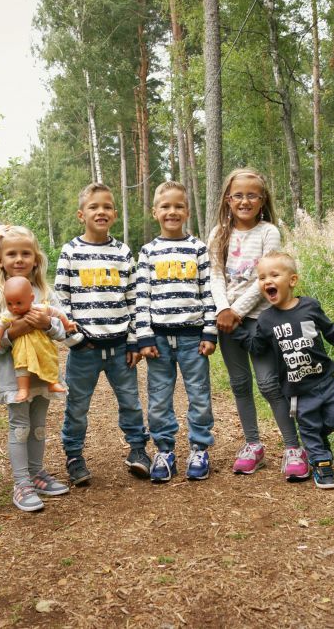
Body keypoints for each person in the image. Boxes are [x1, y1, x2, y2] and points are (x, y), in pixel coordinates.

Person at [238, 251, 334, 488]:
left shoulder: (309, 306)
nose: (267, 281)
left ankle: (315, 440)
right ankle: (322, 465)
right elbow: (257, 347)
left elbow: (331, 331)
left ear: (292, 280)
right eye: (261, 278)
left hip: (325, 378)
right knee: (309, 426)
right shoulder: (266, 319)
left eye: (274, 275)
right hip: (297, 389)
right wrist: (237, 331)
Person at [208, 167, 308, 481]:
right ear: (227, 199)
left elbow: (263, 280)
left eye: (252, 195)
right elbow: (215, 276)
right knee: (239, 383)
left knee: (268, 384)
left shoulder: (269, 232)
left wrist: (236, 310)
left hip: (260, 320)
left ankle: (293, 447)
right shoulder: (218, 234)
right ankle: (253, 444)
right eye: (238, 195)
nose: (245, 201)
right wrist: (224, 309)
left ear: (262, 200)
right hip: (228, 322)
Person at [55, 183, 150, 485]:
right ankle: (74, 455)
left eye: (107, 207)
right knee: (77, 405)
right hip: (84, 349)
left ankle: (138, 450)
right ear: (81, 214)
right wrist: (75, 339)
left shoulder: (122, 252)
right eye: (94, 207)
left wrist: (134, 340)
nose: (101, 211)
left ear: (114, 214)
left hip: (120, 347)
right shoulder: (71, 251)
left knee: (130, 401)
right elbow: (61, 301)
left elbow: (134, 299)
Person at [0, 225, 76, 512]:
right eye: (12, 254)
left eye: (25, 253)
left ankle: (36, 473)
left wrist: (47, 325)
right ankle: (21, 483)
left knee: (38, 426)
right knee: (20, 426)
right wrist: (15, 330)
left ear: (36, 259)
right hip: (14, 375)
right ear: (0, 261)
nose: (19, 259)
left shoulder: (44, 292)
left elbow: (62, 330)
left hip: (42, 374)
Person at [136, 181, 216, 482]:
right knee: (159, 397)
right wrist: (144, 336)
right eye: (166, 206)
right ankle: (165, 450)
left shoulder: (198, 248)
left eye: (178, 206)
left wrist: (210, 332)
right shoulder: (148, 252)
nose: (172, 212)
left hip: (193, 337)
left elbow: (208, 292)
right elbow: (141, 298)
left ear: (187, 211)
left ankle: (199, 449)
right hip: (158, 339)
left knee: (199, 394)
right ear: (155, 211)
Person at [0, 275, 71, 402]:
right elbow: (0, 324)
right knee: (21, 364)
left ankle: (52, 382)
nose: (14, 307)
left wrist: (67, 324)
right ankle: (23, 388)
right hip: (21, 346)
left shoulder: (39, 308)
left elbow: (58, 313)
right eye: (9, 303)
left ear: (31, 298)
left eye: (19, 303)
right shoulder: (9, 314)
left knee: (49, 358)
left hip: (42, 344)